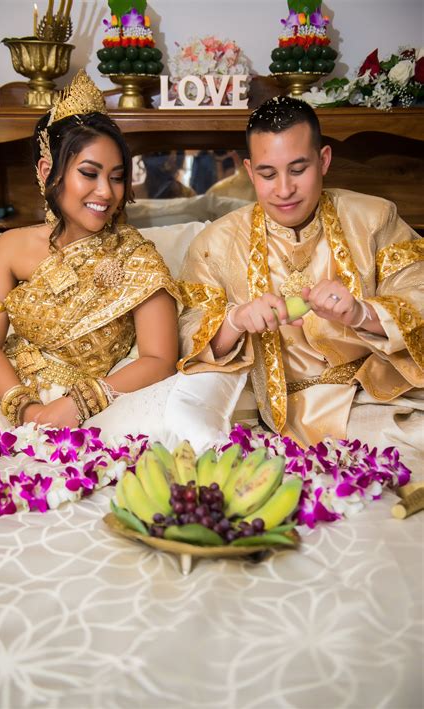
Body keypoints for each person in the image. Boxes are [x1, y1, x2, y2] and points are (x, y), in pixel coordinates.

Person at [178, 96, 423, 470]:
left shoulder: (374, 218)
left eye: (298, 169)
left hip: (386, 392)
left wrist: (362, 313)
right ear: (248, 170)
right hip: (289, 412)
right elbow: (184, 332)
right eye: (267, 173)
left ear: (323, 160)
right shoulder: (215, 245)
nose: (284, 189)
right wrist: (236, 320)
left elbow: (417, 292)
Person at [0, 70, 181, 433]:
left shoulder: (136, 256)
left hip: (94, 407)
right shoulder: (10, 247)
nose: (106, 192)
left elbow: (160, 359)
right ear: (48, 172)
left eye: (117, 176)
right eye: (89, 173)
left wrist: (76, 404)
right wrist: (24, 407)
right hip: (8, 393)